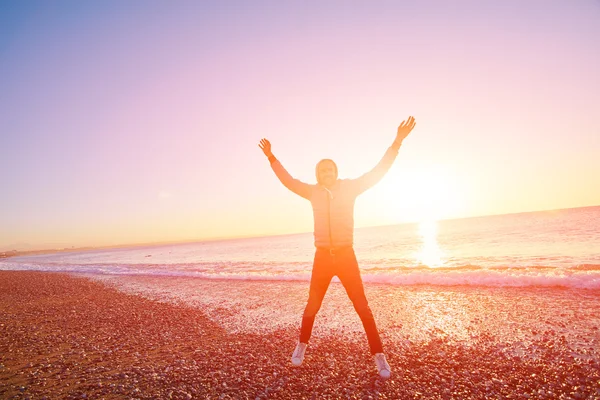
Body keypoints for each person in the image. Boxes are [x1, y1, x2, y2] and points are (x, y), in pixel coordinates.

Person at [258, 116, 416, 379]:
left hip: (345, 256)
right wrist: (271, 157)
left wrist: (397, 141)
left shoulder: (351, 188)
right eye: (323, 171)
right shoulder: (312, 192)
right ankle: (301, 347)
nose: (327, 174)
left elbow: (379, 171)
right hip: (322, 257)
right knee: (312, 306)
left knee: (362, 307)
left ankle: (379, 356)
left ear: (336, 172)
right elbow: (288, 180)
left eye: (330, 170)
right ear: (318, 175)